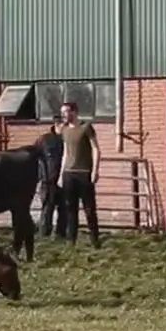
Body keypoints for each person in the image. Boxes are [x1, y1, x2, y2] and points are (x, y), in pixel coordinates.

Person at [55, 100, 100, 246]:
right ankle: (71, 241)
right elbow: (65, 153)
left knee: (89, 209)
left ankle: (95, 239)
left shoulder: (86, 127)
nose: (63, 115)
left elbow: (96, 149)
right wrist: (61, 174)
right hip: (69, 173)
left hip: (84, 172)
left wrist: (95, 170)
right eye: (62, 113)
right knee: (70, 209)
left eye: (66, 112)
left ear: (74, 112)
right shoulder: (65, 130)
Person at [36, 125, 64, 239]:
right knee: (47, 207)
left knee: (64, 208)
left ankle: (60, 234)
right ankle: (44, 234)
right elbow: (37, 158)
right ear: (57, 125)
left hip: (63, 178)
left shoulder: (67, 139)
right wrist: (41, 175)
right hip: (48, 179)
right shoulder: (44, 140)